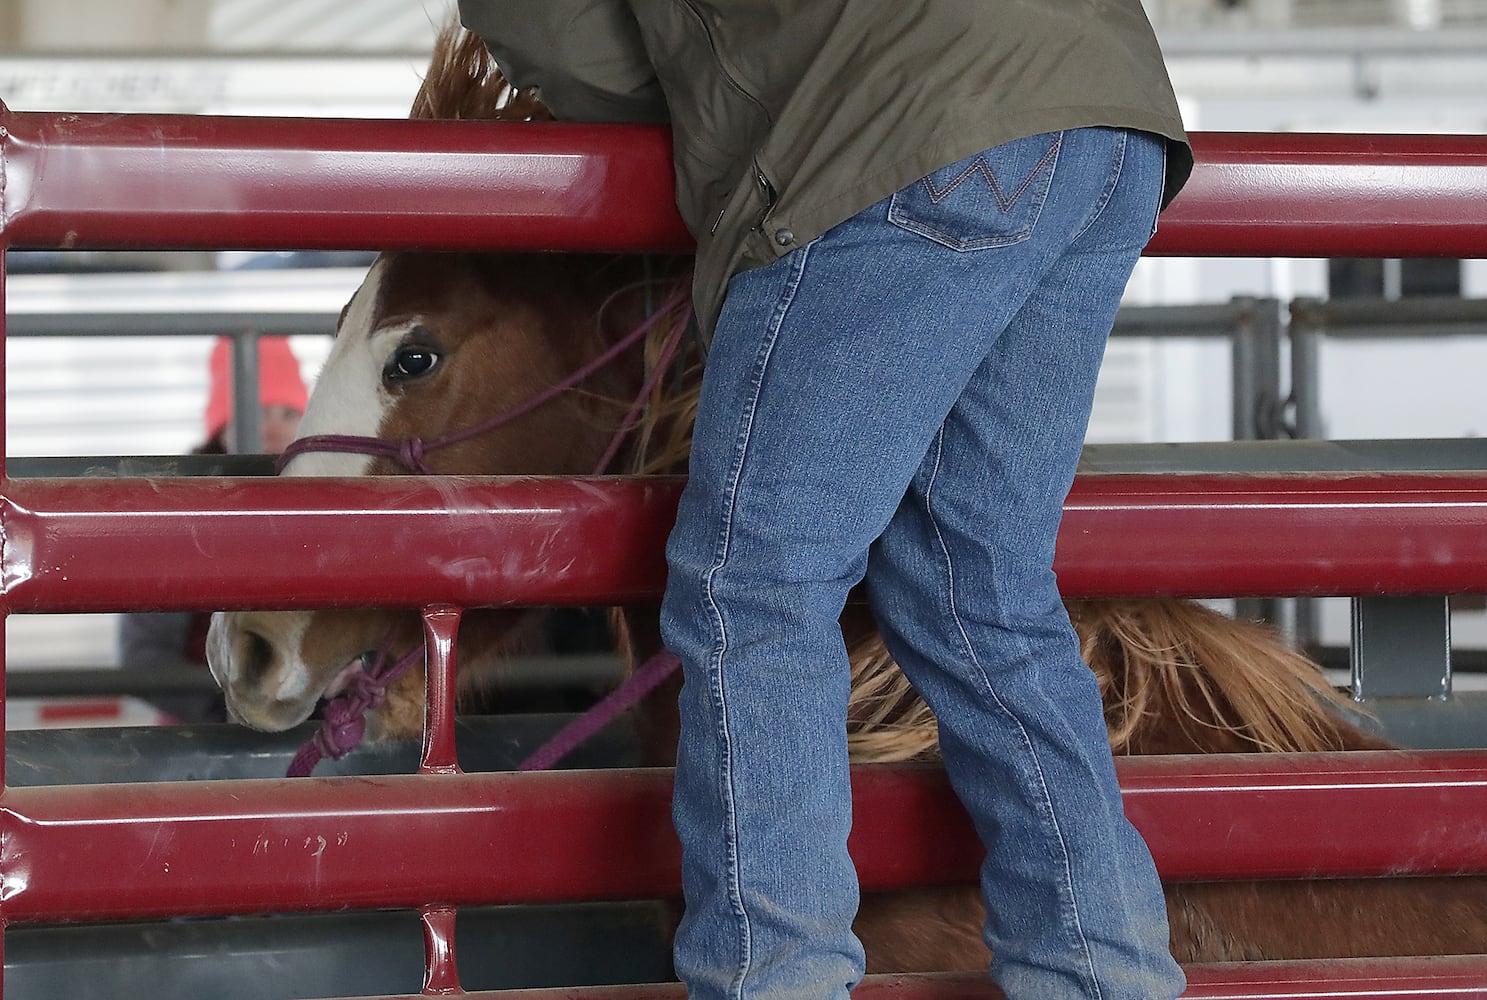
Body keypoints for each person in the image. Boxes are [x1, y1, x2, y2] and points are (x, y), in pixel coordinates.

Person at [459, 3, 1194, 998]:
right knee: (981, 591)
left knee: (753, 587)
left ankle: (774, 976)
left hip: (897, 131)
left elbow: (557, 34)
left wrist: (722, 91)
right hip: (1107, 118)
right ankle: (1101, 969)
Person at [117, 335, 308, 722]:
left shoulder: (329, 511)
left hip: (310, 731)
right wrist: (223, 717)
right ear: (220, 428)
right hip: (201, 739)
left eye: (287, 414)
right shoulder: (178, 518)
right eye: (255, 412)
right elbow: (145, 655)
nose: (271, 428)